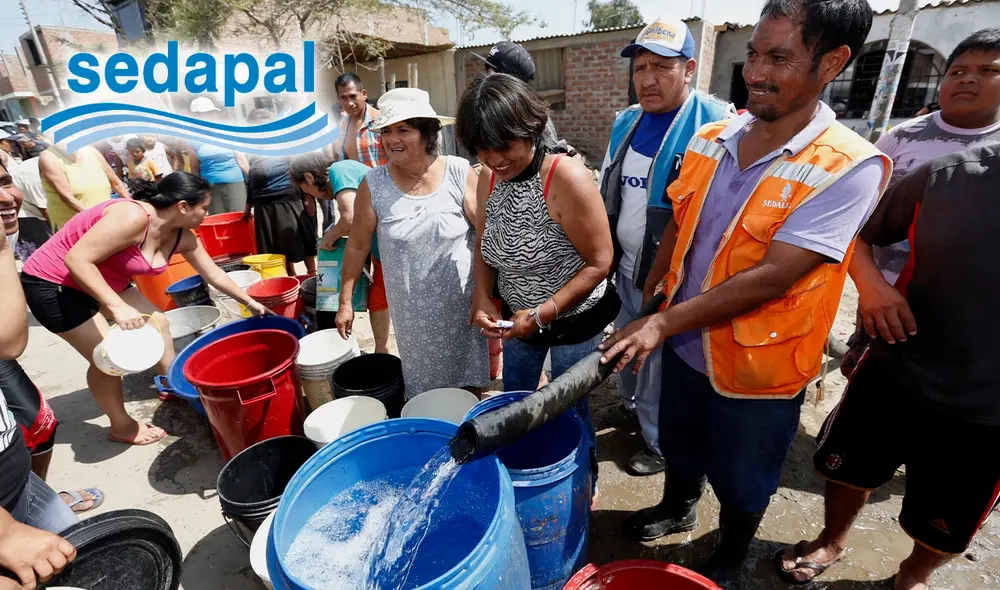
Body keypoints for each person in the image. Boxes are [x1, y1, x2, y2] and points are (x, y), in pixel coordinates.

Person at [598, 0, 891, 585]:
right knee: (680, 444)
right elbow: (679, 223)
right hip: (684, 346)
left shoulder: (848, 165)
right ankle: (677, 504)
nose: (755, 72)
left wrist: (658, 323)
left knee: (743, 474)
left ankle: (732, 551)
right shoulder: (713, 136)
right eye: (754, 53)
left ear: (832, 62)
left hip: (760, 367)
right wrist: (653, 295)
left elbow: (777, 273)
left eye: (779, 58)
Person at [777, 143, 1000, 589]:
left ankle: (912, 576)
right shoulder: (950, 176)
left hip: (990, 408)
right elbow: (854, 230)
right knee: (848, 468)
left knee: (950, 510)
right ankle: (832, 540)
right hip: (899, 362)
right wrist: (872, 286)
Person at [19, 172, 269, 446]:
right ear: (183, 207)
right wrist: (116, 308)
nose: (206, 215)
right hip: (54, 283)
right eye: (204, 208)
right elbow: (76, 259)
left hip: (102, 279)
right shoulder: (132, 216)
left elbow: (215, 276)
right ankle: (122, 426)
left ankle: (172, 384)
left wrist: (251, 302)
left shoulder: (183, 236)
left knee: (159, 322)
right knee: (108, 357)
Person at [460, 74, 617, 482]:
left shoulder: (564, 176)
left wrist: (544, 313)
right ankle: (525, 467)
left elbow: (600, 262)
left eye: (505, 146)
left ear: (530, 130)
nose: (494, 159)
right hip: (519, 316)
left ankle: (584, 478)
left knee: (569, 405)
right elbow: (484, 240)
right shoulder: (486, 178)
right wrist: (481, 296)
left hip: (573, 315)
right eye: (482, 148)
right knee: (516, 397)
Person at [599, 17, 735, 476]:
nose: (647, 79)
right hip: (627, 264)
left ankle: (658, 443)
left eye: (661, 67)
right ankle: (633, 408)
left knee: (658, 359)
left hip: (676, 273)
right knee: (625, 344)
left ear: (689, 69)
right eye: (640, 68)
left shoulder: (718, 125)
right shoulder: (627, 122)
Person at [841, 27, 1000, 374]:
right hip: (882, 295)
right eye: (957, 72)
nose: (968, 80)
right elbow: (853, 220)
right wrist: (870, 286)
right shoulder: (901, 138)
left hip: (965, 315)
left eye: (988, 71)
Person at [335, 88, 489, 397]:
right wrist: (345, 302)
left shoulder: (459, 172)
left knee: (467, 388)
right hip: (413, 317)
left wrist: (484, 296)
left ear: (427, 132)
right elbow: (357, 246)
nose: (392, 139)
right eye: (386, 131)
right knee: (424, 393)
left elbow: (485, 237)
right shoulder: (374, 184)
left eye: (403, 130)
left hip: (462, 307)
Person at [0, 167, 78, 588]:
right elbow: (9, 343)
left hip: (15, 480)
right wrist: (5, 533)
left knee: (40, 425)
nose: (9, 196)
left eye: (3, 179)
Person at [290, 154, 391, 354]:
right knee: (378, 301)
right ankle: (382, 350)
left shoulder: (339, 171)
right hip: (382, 249)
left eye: (306, 190)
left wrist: (330, 236)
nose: (311, 195)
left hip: (393, 247)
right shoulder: (342, 175)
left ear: (309, 178)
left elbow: (351, 218)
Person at [243, 109, 317, 276]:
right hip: (264, 205)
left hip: (288, 200)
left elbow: (302, 171)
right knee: (278, 248)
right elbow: (251, 181)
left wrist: (308, 197)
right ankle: (291, 277)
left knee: (301, 240)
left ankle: (312, 274)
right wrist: (248, 207)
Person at [471, 41, 564, 149]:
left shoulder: (526, 117)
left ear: (507, 78)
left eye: (490, 72)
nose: (486, 78)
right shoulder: (504, 111)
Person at [39, 144, 129, 231]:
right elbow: (67, 198)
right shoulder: (48, 158)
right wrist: (98, 218)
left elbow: (116, 183)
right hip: (74, 228)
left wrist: (135, 206)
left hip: (104, 221)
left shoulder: (91, 152)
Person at [184, 98, 248, 215]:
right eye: (204, 114)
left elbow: (241, 160)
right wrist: (198, 191)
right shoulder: (193, 138)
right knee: (218, 219)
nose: (208, 116)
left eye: (210, 113)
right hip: (210, 186)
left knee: (240, 217)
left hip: (235, 183)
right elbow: (194, 168)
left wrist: (254, 182)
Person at [0, 146, 50, 260]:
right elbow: (44, 209)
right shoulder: (34, 176)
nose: (8, 198)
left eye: (5, 183)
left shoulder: (7, 229)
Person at [335, 73, 388, 168]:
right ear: (338, 99)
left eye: (353, 96)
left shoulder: (382, 121)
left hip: (382, 182)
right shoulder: (341, 124)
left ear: (364, 94)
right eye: (343, 98)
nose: (349, 103)